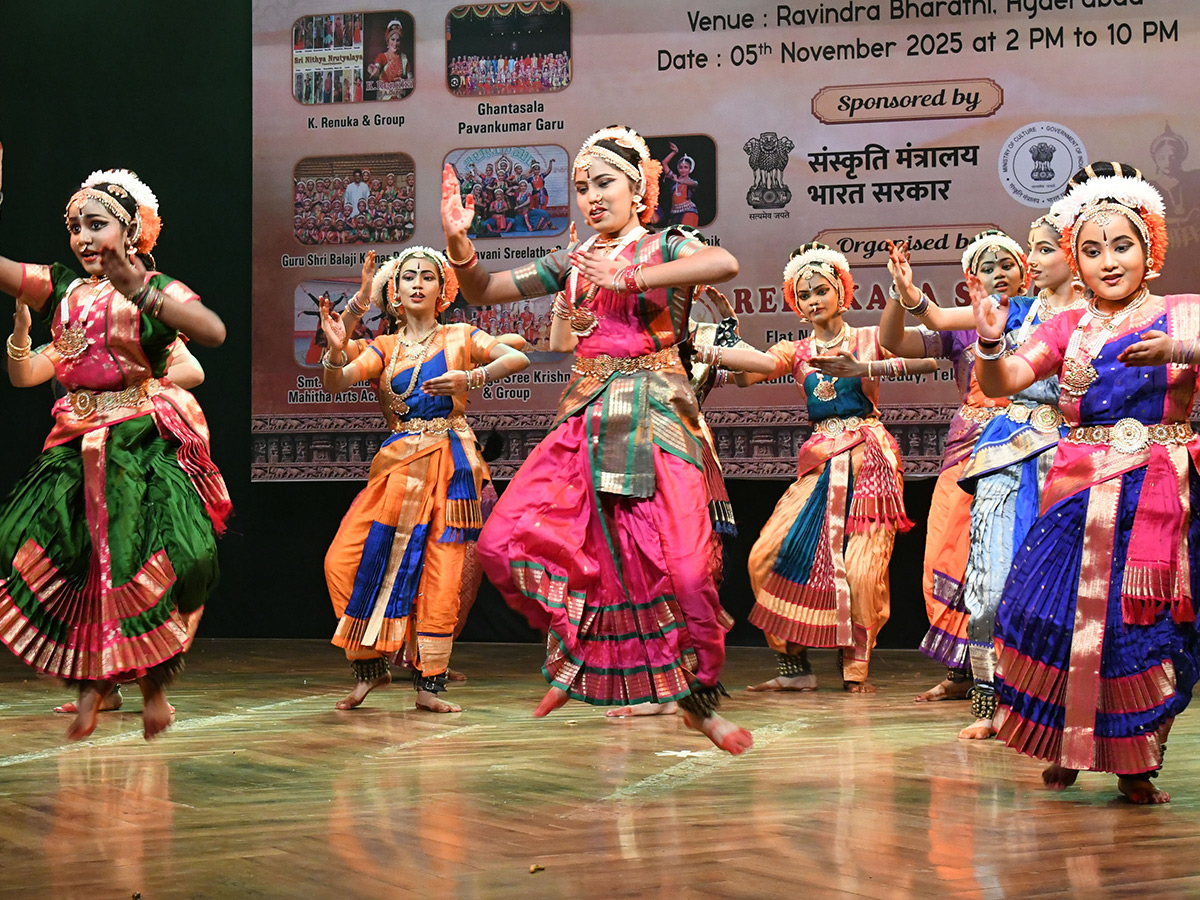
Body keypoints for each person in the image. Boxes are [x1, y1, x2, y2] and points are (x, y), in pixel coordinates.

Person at [440, 126, 771, 754]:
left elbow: (722, 264)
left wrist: (630, 280)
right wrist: (460, 243)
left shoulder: (664, 244)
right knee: (505, 540)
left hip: (658, 417)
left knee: (687, 569)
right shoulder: (575, 260)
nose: (592, 197)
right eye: (583, 187)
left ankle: (696, 701)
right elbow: (484, 291)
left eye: (605, 183)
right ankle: (577, 649)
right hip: (586, 420)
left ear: (638, 188)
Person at [971, 161, 1199, 803]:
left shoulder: (1185, 314)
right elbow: (1006, 382)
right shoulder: (1069, 326)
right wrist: (990, 345)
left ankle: (1135, 766)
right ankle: (1068, 743)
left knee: (1142, 630)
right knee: (1047, 614)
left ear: (1150, 248)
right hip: (1076, 489)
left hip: (1157, 501)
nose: (1108, 261)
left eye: (1122, 245)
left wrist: (1179, 353)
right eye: (1092, 250)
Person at [0, 167, 229, 741]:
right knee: (59, 552)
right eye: (74, 225)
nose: (81, 236)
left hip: (137, 444)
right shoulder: (63, 290)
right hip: (75, 441)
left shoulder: (151, 289)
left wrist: (142, 289)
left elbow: (212, 332)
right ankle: (92, 687)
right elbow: (27, 368)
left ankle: (154, 687)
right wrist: (23, 336)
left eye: (96, 224)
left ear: (131, 233)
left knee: (153, 555)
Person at [319, 248, 528, 712]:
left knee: (441, 571)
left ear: (442, 290)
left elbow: (516, 358)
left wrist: (470, 378)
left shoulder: (458, 335)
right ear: (394, 291)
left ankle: (429, 683)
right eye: (408, 276)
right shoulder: (386, 348)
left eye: (427, 277)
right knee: (342, 559)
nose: (417, 283)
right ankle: (370, 667)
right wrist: (335, 350)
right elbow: (338, 382)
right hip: (397, 467)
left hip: (450, 466)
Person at [742, 244, 937, 693]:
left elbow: (928, 360)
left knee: (863, 570)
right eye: (804, 294)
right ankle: (795, 669)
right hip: (820, 460)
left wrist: (868, 364)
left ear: (841, 293)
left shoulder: (868, 338)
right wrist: (718, 346)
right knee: (766, 555)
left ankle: (856, 672)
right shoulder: (795, 350)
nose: (813, 300)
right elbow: (749, 374)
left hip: (869, 459)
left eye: (822, 291)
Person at [952, 209, 1085, 739]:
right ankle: (988, 703)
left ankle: (1053, 705)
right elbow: (938, 323)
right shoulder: (1020, 311)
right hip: (1008, 450)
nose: (1031, 258)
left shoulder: (1100, 317)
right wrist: (908, 297)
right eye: (1030, 247)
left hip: (1074, 458)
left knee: (1063, 591)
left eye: (1044, 247)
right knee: (991, 579)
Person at [880, 231, 1022, 701]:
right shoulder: (962, 327)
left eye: (1007, 263)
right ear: (970, 279)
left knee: (1007, 560)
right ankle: (965, 670)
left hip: (1024, 449)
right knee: (948, 554)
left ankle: (1011, 673)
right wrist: (902, 294)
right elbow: (893, 341)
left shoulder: (1041, 319)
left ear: (1026, 271)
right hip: (966, 451)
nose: (999, 272)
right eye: (988, 266)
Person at [367, 19, 412, 99]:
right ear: (388, 41)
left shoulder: (404, 59)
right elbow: (377, 67)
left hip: (400, 100)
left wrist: (404, 83)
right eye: (392, 39)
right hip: (385, 100)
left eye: (398, 40)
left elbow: (412, 80)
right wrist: (374, 69)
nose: (395, 44)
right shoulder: (382, 57)